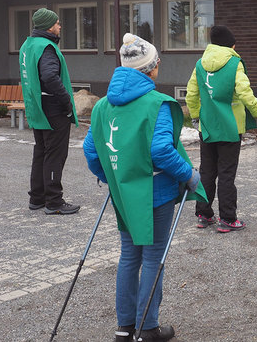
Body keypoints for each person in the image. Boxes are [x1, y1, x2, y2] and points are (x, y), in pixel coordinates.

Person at [83, 33, 202, 342]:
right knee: (152, 258)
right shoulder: (156, 103)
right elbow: (161, 150)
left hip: (125, 194)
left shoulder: (102, 105)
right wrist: (189, 174)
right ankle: (147, 328)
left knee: (129, 256)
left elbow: (92, 151)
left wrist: (114, 176)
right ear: (152, 68)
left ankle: (124, 329)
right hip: (155, 191)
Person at [185, 25, 257, 233]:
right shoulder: (234, 63)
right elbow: (245, 92)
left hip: (207, 128)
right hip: (230, 128)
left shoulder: (200, 64)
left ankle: (204, 214)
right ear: (232, 45)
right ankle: (228, 218)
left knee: (207, 171)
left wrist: (195, 116)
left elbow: (191, 94)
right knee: (226, 174)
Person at [19, 7, 80, 215]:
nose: (60, 26)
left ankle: (37, 198)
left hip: (37, 106)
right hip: (53, 108)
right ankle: (54, 201)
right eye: (57, 23)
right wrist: (67, 102)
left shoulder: (28, 45)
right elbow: (50, 77)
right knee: (55, 154)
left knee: (41, 151)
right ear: (48, 26)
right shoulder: (46, 47)